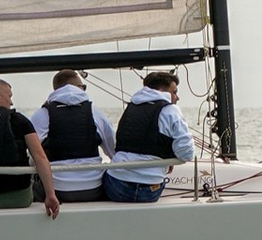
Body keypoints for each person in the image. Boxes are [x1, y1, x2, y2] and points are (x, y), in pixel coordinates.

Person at [0, 78, 61, 217]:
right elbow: (40, 157)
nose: (11, 102)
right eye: (9, 96)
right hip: (21, 198)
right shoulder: (19, 121)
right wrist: (50, 195)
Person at [103, 68, 194, 203]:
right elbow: (186, 153)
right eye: (174, 92)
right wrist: (167, 158)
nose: (177, 97)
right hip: (150, 189)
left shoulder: (131, 107)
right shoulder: (171, 111)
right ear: (162, 91)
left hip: (117, 186)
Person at [34, 65, 115, 203]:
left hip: (57, 190)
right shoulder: (94, 111)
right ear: (79, 87)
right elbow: (112, 148)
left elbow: (32, 155)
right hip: (94, 188)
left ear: (56, 89)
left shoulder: (42, 114)